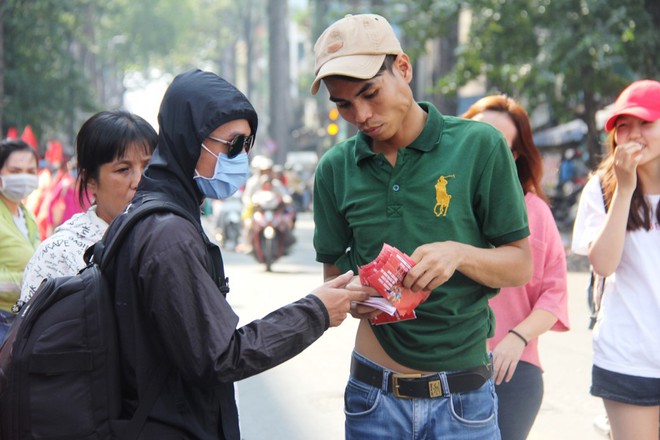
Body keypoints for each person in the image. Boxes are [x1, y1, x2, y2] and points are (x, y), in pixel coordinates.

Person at [101, 68, 369, 439]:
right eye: (232, 144)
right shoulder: (168, 235)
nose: (240, 157)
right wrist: (316, 311)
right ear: (190, 139)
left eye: (246, 145)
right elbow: (220, 355)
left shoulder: (157, 213)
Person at [310, 14, 533, 439]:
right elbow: (334, 285)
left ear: (405, 69)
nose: (361, 115)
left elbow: (521, 265)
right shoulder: (334, 170)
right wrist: (357, 296)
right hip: (374, 397)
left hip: (464, 398)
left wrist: (459, 253)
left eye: (370, 93)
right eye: (343, 104)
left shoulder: (478, 146)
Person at [463, 95, 570, 440]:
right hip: (438, 371)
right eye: (475, 137)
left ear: (514, 155)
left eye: (496, 143)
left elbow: (554, 296)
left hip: (509, 372)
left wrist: (517, 337)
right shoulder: (439, 205)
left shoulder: (534, 212)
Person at [571, 79, 660, 440]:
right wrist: (625, 189)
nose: (634, 134)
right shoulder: (602, 188)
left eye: (646, 123)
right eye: (624, 125)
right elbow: (603, 264)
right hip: (628, 355)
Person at [20, 110, 157, 303]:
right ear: (90, 180)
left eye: (148, 167)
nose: (139, 181)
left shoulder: (171, 240)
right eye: (123, 170)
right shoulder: (59, 255)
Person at [0, 139, 40, 342]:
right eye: (15, 171)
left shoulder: (27, 215)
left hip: (20, 318)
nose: (24, 178)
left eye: (30, 171)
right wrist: (29, 281)